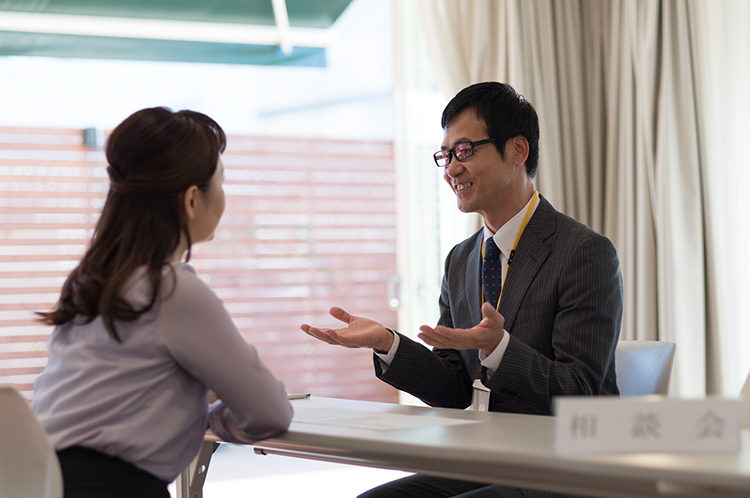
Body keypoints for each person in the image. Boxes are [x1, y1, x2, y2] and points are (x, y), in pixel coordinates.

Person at [301, 82, 623, 498]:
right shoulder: (461, 259)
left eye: (466, 151)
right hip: (485, 457)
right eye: (446, 155)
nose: (452, 169)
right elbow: (454, 388)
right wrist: (388, 343)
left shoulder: (584, 252)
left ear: (518, 151)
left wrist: (501, 348)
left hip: (563, 466)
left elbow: (580, 393)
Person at [31, 107, 293, 498]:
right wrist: (205, 417)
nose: (223, 196)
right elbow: (270, 412)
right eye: (220, 182)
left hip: (44, 479)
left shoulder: (92, 281)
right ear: (191, 200)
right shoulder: (172, 289)